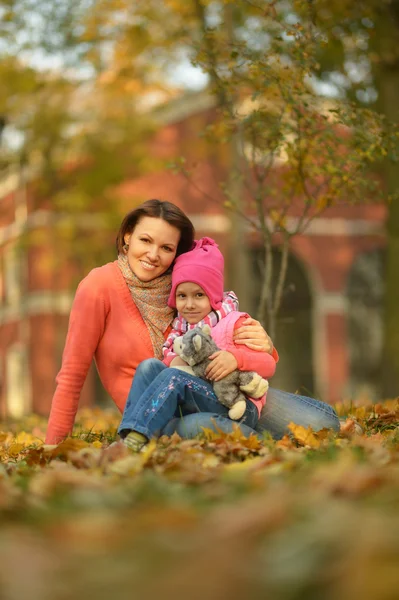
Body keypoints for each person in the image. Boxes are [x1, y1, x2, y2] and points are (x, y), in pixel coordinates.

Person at [45, 198, 339, 445]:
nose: (153, 255)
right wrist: (54, 449)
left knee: (324, 423)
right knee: (202, 427)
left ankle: (250, 431)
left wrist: (264, 345)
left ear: (177, 253)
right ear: (127, 237)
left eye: (166, 248)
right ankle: (251, 439)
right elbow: (71, 375)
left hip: (215, 391)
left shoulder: (184, 286)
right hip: (160, 415)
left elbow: (226, 331)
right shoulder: (99, 285)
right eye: (145, 240)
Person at [118, 237, 279, 451]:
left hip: (237, 405)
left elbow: (268, 365)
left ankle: (139, 437)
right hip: (200, 399)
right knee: (149, 366)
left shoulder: (234, 322)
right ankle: (128, 433)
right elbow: (169, 364)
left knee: (174, 378)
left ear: (212, 297)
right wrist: (179, 359)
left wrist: (236, 359)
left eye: (199, 295)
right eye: (182, 296)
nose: (190, 304)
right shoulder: (179, 328)